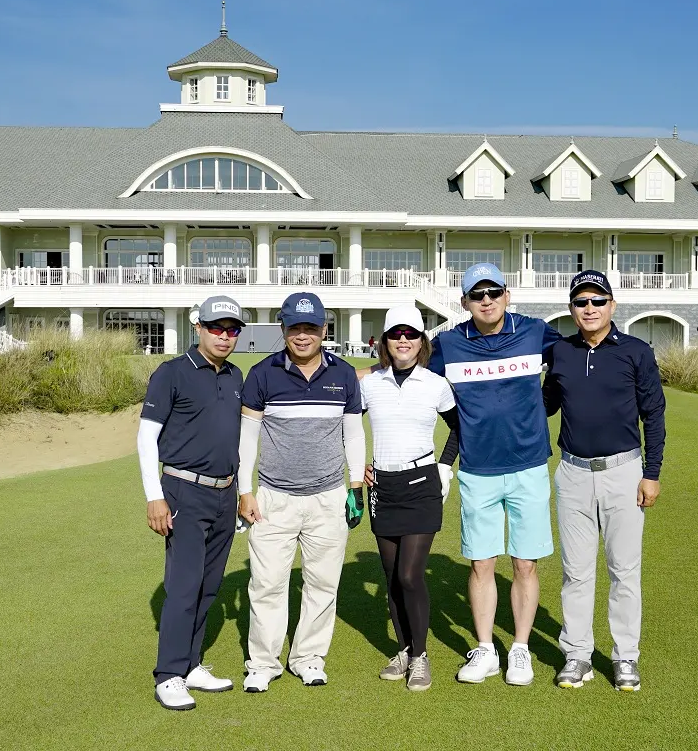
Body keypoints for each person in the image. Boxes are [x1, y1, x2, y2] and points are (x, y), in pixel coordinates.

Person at [429, 262, 562, 686]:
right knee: (482, 563)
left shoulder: (535, 332)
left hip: (529, 465)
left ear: (507, 295)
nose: (486, 301)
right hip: (477, 469)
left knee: (524, 564)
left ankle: (520, 648)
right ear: (464, 301)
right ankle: (486, 649)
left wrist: (544, 406)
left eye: (493, 292)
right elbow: (410, 376)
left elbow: (570, 364)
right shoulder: (448, 343)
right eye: (477, 294)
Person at [236, 291, 366, 692]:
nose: (303, 335)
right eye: (295, 328)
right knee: (267, 583)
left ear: (324, 329)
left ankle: (308, 657)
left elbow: (353, 434)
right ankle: (263, 662)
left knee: (322, 584)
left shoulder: (344, 374)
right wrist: (245, 491)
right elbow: (247, 438)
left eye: (311, 327)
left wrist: (356, 486)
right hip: (274, 497)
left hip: (329, 497)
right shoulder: (262, 374)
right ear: (284, 329)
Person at [542, 270, 666, 692]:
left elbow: (654, 415)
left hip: (624, 473)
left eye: (598, 300)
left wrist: (652, 473)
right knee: (575, 573)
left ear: (612, 305)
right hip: (573, 473)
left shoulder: (636, 352)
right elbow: (546, 404)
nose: (589, 308)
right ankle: (577, 655)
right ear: (572, 308)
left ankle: (625, 657)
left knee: (624, 571)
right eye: (581, 302)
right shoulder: (561, 352)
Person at [137, 295, 248, 711]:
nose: (224, 336)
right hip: (183, 490)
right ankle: (168, 675)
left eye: (232, 329)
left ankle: (191, 664)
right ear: (198, 327)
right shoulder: (172, 373)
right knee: (184, 587)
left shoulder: (235, 375)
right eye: (216, 327)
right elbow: (147, 437)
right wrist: (155, 496)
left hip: (225, 493)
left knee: (209, 586)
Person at [357, 304, 461, 692]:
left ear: (422, 341)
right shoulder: (370, 384)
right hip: (382, 486)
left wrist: (444, 466)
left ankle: (420, 656)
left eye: (411, 334)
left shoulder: (436, 384)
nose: (404, 340)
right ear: (385, 341)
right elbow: (347, 426)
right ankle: (403, 649)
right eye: (396, 334)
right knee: (391, 577)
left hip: (421, 485)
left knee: (409, 575)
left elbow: (459, 428)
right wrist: (357, 465)